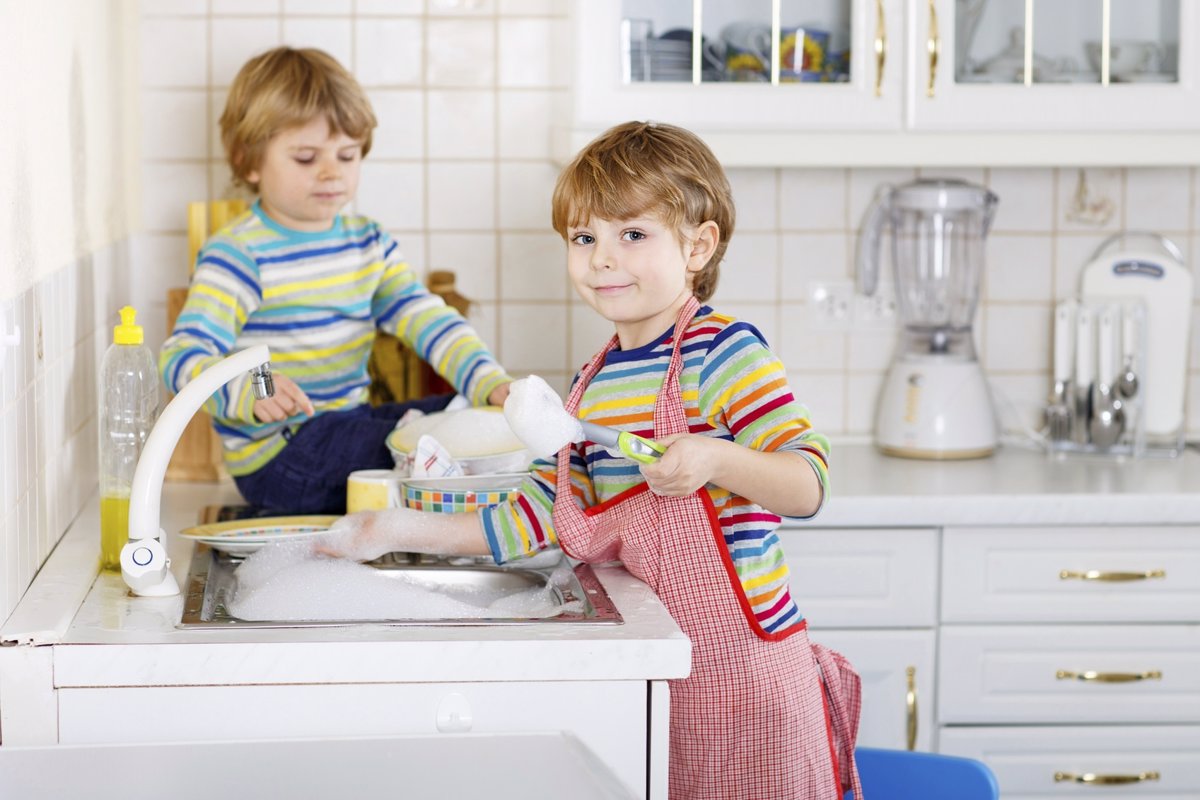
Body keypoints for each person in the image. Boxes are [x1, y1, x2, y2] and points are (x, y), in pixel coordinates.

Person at [321, 121, 861, 799]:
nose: (602, 258)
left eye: (632, 234)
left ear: (698, 245)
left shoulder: (723, 352)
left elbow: (808, 482)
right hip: (657, 678)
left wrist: (714, 458)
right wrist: (392, 531)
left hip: (749, 684)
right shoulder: (590, 384)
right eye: (584, 238)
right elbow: (537, 516)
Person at [160, 47, 512, 514]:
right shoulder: (240, 253)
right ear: (249, 161)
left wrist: (489, 382)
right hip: (280, 461)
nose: (331, 172)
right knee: (430, 439)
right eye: (306, 157)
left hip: (344, 428)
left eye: (346, 155)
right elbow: (182, 356)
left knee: (462, 414)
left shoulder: (368, 243)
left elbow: (427, 318)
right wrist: (255, 390)